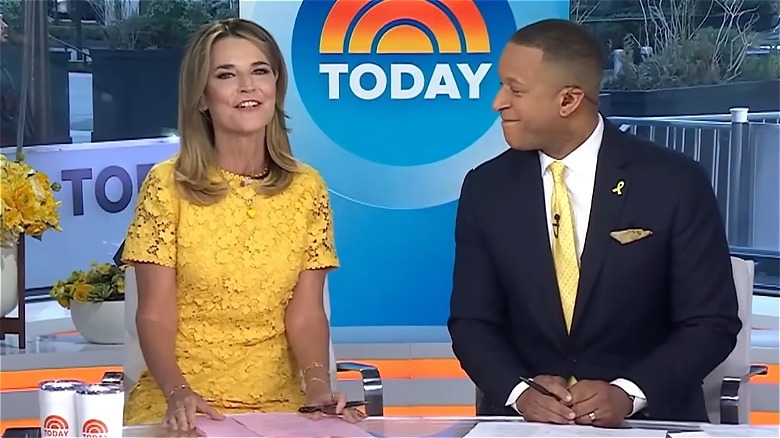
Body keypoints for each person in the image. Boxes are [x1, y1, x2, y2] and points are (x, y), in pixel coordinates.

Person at [447, 19, 741, 426]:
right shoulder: (486, 188)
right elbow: (472, 322)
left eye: (515, 90)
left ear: (569, 101)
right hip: (527, 427)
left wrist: (629, 393)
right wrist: (519, 394)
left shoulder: (673, 182)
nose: (498, 102)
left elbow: (711, 322)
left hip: (649, 421)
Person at [121, 18, 363, 430]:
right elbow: (155, 314)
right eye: (226, 75)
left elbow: (305, 313)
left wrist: (318, 390)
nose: (247, 87)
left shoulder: (308, 189)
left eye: (260, 71)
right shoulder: (166, 186)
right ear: (202, 97)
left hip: (279, 408)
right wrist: (178, 391)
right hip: (182, 402)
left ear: (275, 87)